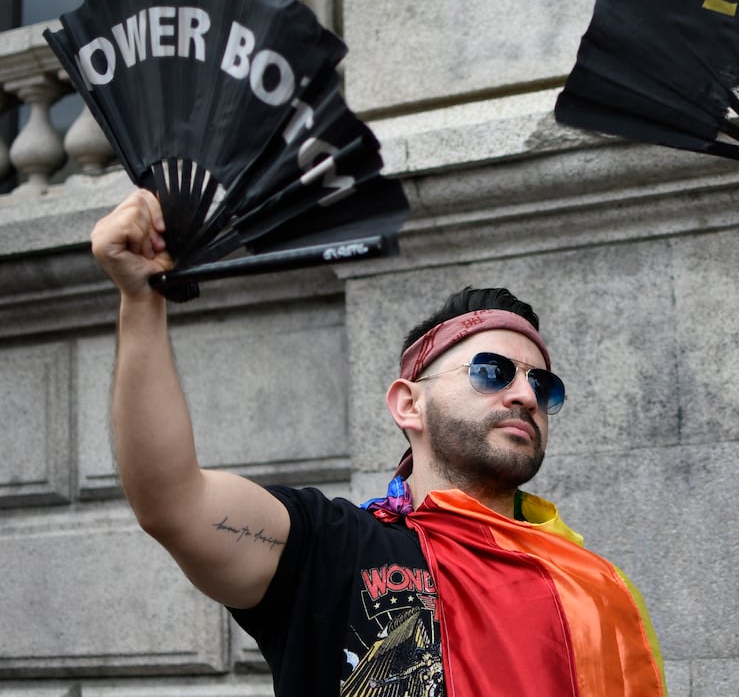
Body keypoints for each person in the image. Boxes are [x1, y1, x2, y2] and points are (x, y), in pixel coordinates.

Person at [90, 189, 666, 697]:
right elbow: (172, 503)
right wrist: (141, 303)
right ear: (408, 404)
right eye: (492, 371)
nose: (525, 395)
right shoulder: (332, 549)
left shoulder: (594, 585)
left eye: (542, 383)